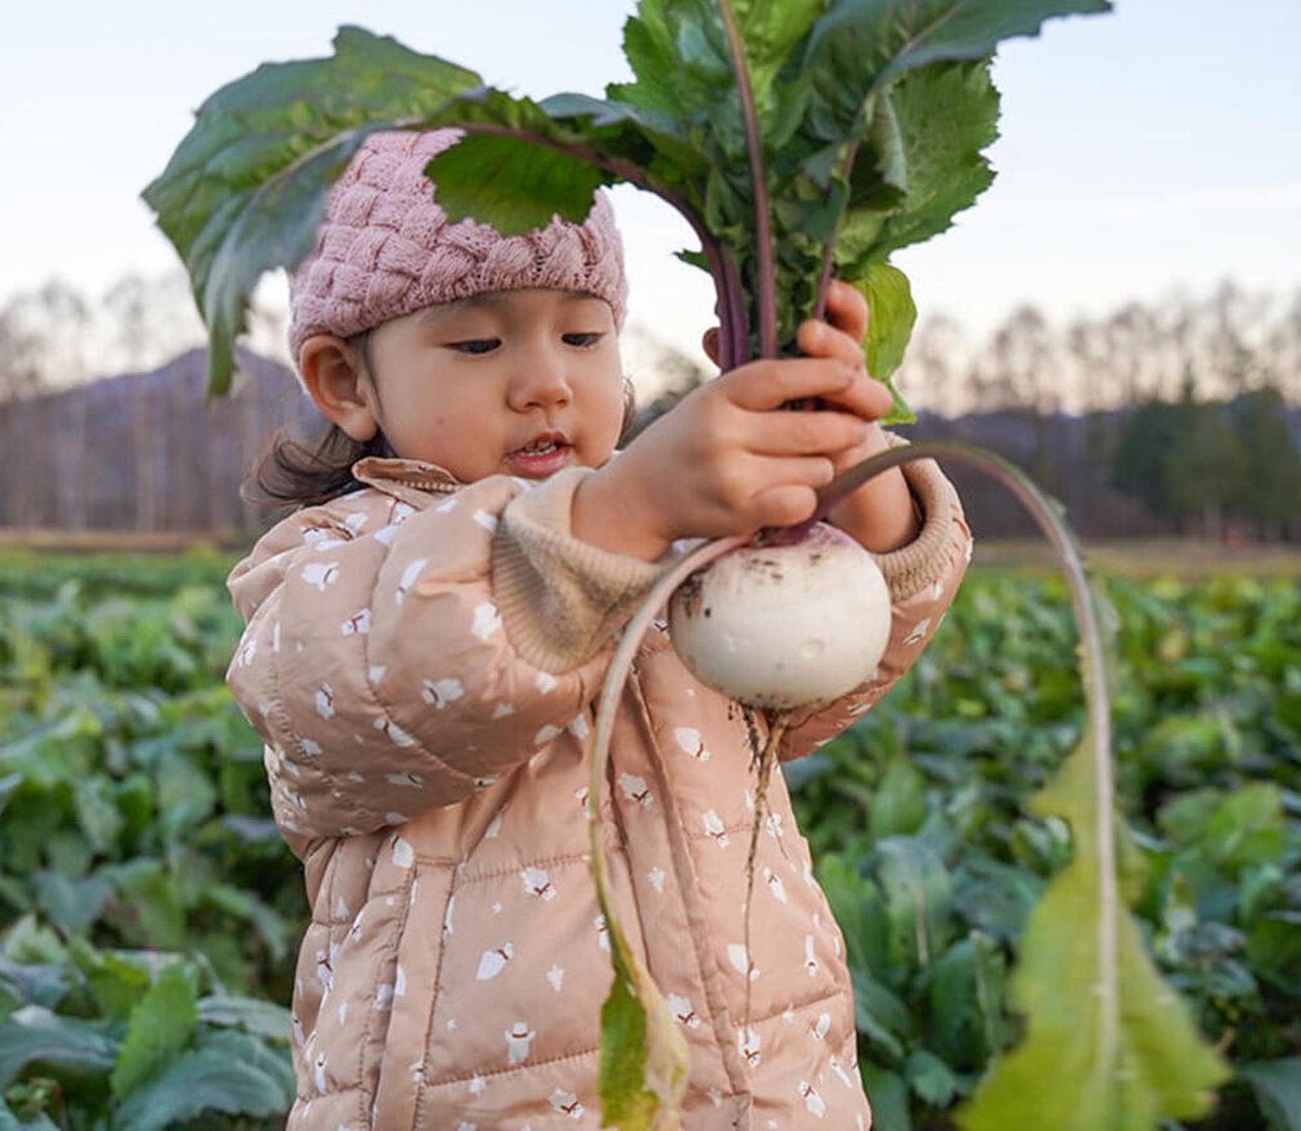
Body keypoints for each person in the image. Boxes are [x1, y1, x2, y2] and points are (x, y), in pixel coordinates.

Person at [225, 128, 971, 1129]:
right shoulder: (336, 559)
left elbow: (827, 662)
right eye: (480, 343)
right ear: (348, 383)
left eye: (582, 336)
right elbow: (372, 679)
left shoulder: (683, 542)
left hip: (770, 1087)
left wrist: (847, 476)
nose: (547, 382)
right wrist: (618, 515)